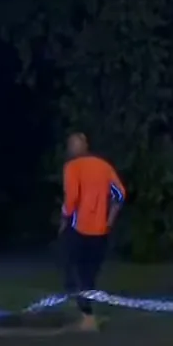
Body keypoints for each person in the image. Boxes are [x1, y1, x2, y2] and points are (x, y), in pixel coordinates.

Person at [59, 132, 126, 331]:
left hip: (79, 228)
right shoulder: (104, 166)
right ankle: (86, 315)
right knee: (89, 274)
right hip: (100, 231)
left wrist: (64, 218)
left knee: (72, 269)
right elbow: (120, 194)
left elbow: (71, 199)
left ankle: (86, 316)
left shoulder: (72, 167)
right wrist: (109, 221)